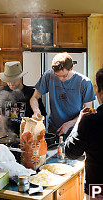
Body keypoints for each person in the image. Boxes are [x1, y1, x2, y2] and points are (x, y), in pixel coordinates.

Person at [30, 52, 95, 140]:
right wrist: (36, 111)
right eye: (57, 76)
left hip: (75, 130)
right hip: (53, 129)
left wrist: (70, 123)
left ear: (72, 68)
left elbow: (88, 112)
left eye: (64, 76)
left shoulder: (84, 82)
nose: (60, 79)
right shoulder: (48, 76)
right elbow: (34, 98)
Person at [65, 68, 103, 200]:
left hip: (98, 187)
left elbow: (71, 152)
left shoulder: (91, 121)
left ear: (101, 94)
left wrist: (78, 122)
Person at [0, 61, 46, 137]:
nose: (11, 83)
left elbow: (41, 117)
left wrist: (34, 121)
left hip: (26, 137)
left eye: (14, 80)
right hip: (4, 136)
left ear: (20, 77)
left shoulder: (32, 94)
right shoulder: (0, 92)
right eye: (8, 80)